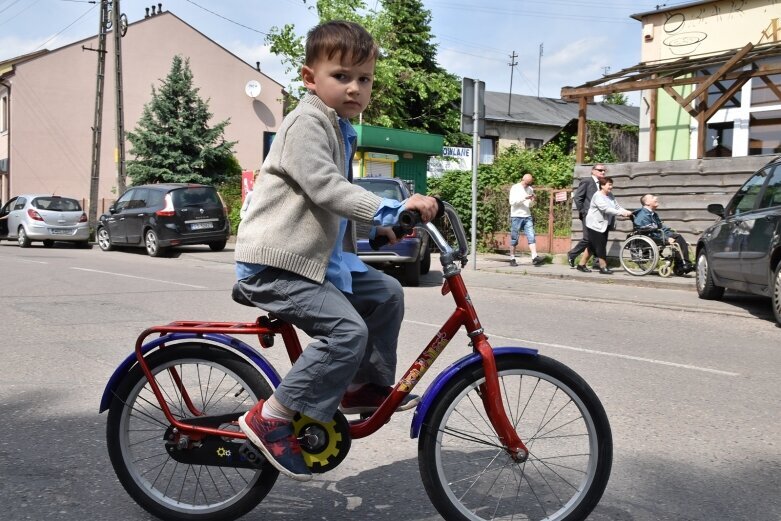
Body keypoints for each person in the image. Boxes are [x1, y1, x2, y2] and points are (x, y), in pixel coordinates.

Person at [232, 21, 439, 483]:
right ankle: (273, 415)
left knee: (386, 293)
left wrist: (381, 233)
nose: (354, 87)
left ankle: (361, 386)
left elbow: (332, 207)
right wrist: (390, 209)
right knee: (346, 332)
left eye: (364, 79)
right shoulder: (305, 122)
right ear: (310, 78)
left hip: (312, 261)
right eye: (342, 76)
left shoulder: (339, 127)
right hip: (275, 263)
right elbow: (326, 188)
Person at [578, 177, 631, 275]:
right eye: (609, 184)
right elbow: (606, 209)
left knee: (592, 246)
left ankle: (581, 265)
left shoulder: (610, 195)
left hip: (604, 224)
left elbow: (617, 207)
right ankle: (603, 267)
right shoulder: (598, 195)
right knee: (600, 246)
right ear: (602, 186)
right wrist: (621, 213)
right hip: (595, 224)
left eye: (611, 184)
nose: (611, 186)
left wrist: (626, 211)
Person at [634, 194, 694, 274]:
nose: (656, 198)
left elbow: (660, 227)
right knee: (677, 238)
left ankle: (681, 265)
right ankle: (682, 265)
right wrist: (666, 238)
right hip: (650, 238)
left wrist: (670, 233)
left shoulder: (653, 214)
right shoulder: (642, 215)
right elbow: (648, 231)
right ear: (647, 202)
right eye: (652, 197)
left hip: (656, 235)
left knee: (677, 236)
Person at [567, 164, 607, 268]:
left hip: (599, 217)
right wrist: (584, 212)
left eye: (604, 170)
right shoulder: (587, 181)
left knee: (597, 239)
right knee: (588, 238)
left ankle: (597, 261)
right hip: (588, 215)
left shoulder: (603, 184)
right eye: (600, 170)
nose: (602, 172)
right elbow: (578, 198)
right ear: (593, 171)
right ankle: (572, 254)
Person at [508, 173, 544, 267]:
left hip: (527, 215)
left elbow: (529, 205)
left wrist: (533, 200)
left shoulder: (530, 189)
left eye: (529, 183)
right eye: (527, 183)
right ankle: (512, 258)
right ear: (523, 180)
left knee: (531, 235)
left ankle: (534, 257)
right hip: (516, 215)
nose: (528, 185)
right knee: (514, 238)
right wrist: (524, 198)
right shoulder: (515, 188)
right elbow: (512, 202)